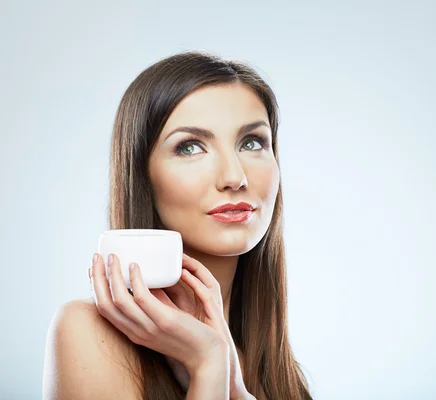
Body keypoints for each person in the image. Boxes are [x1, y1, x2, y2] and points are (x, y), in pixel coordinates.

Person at [42, 51, 313, 400]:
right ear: (142, 177)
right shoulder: (88, 333)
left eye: (251, 142)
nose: (235, 176)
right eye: (190, 147)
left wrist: (234, 389)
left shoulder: (269, 363)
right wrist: (208, 365)